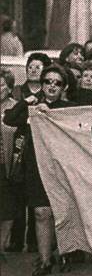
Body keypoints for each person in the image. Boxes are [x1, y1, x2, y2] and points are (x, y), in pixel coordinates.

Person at [3, 65, 77, 275]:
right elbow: (9, 120)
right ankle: (45, 261)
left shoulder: (69, 109)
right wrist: (27, 103)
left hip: (62, 167)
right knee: (41, 212)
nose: (52, 86)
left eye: (57, 83)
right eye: (47, 82)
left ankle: (64, 252)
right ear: (42, 85)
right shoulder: (32, 106)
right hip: (35, 167)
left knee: (61, 213)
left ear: (64, 87)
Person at [0, 69, 17, 255]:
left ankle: (2, 244)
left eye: (1, 85)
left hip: (6, 165)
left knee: (6, 207)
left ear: (10, 88)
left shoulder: (15, 107)